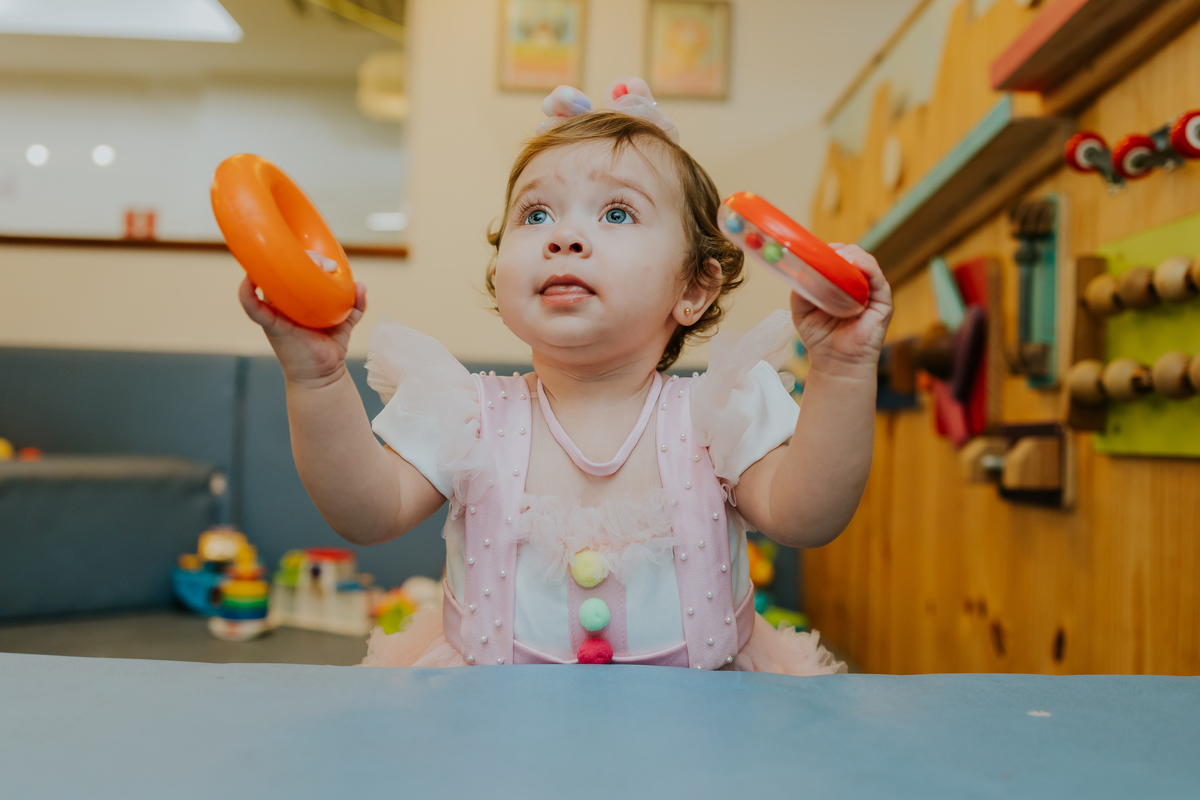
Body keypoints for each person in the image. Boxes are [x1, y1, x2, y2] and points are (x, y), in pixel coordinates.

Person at [239, 77, 892, 673]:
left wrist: (843, 364)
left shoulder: (720, 412)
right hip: (493, 726)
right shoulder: (465, 411)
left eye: (616, 214)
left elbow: (807, 517)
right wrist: (317, 377)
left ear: (693, 288)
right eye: (536, 214)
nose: (564, 237)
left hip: (697, 730)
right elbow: (366, 512)